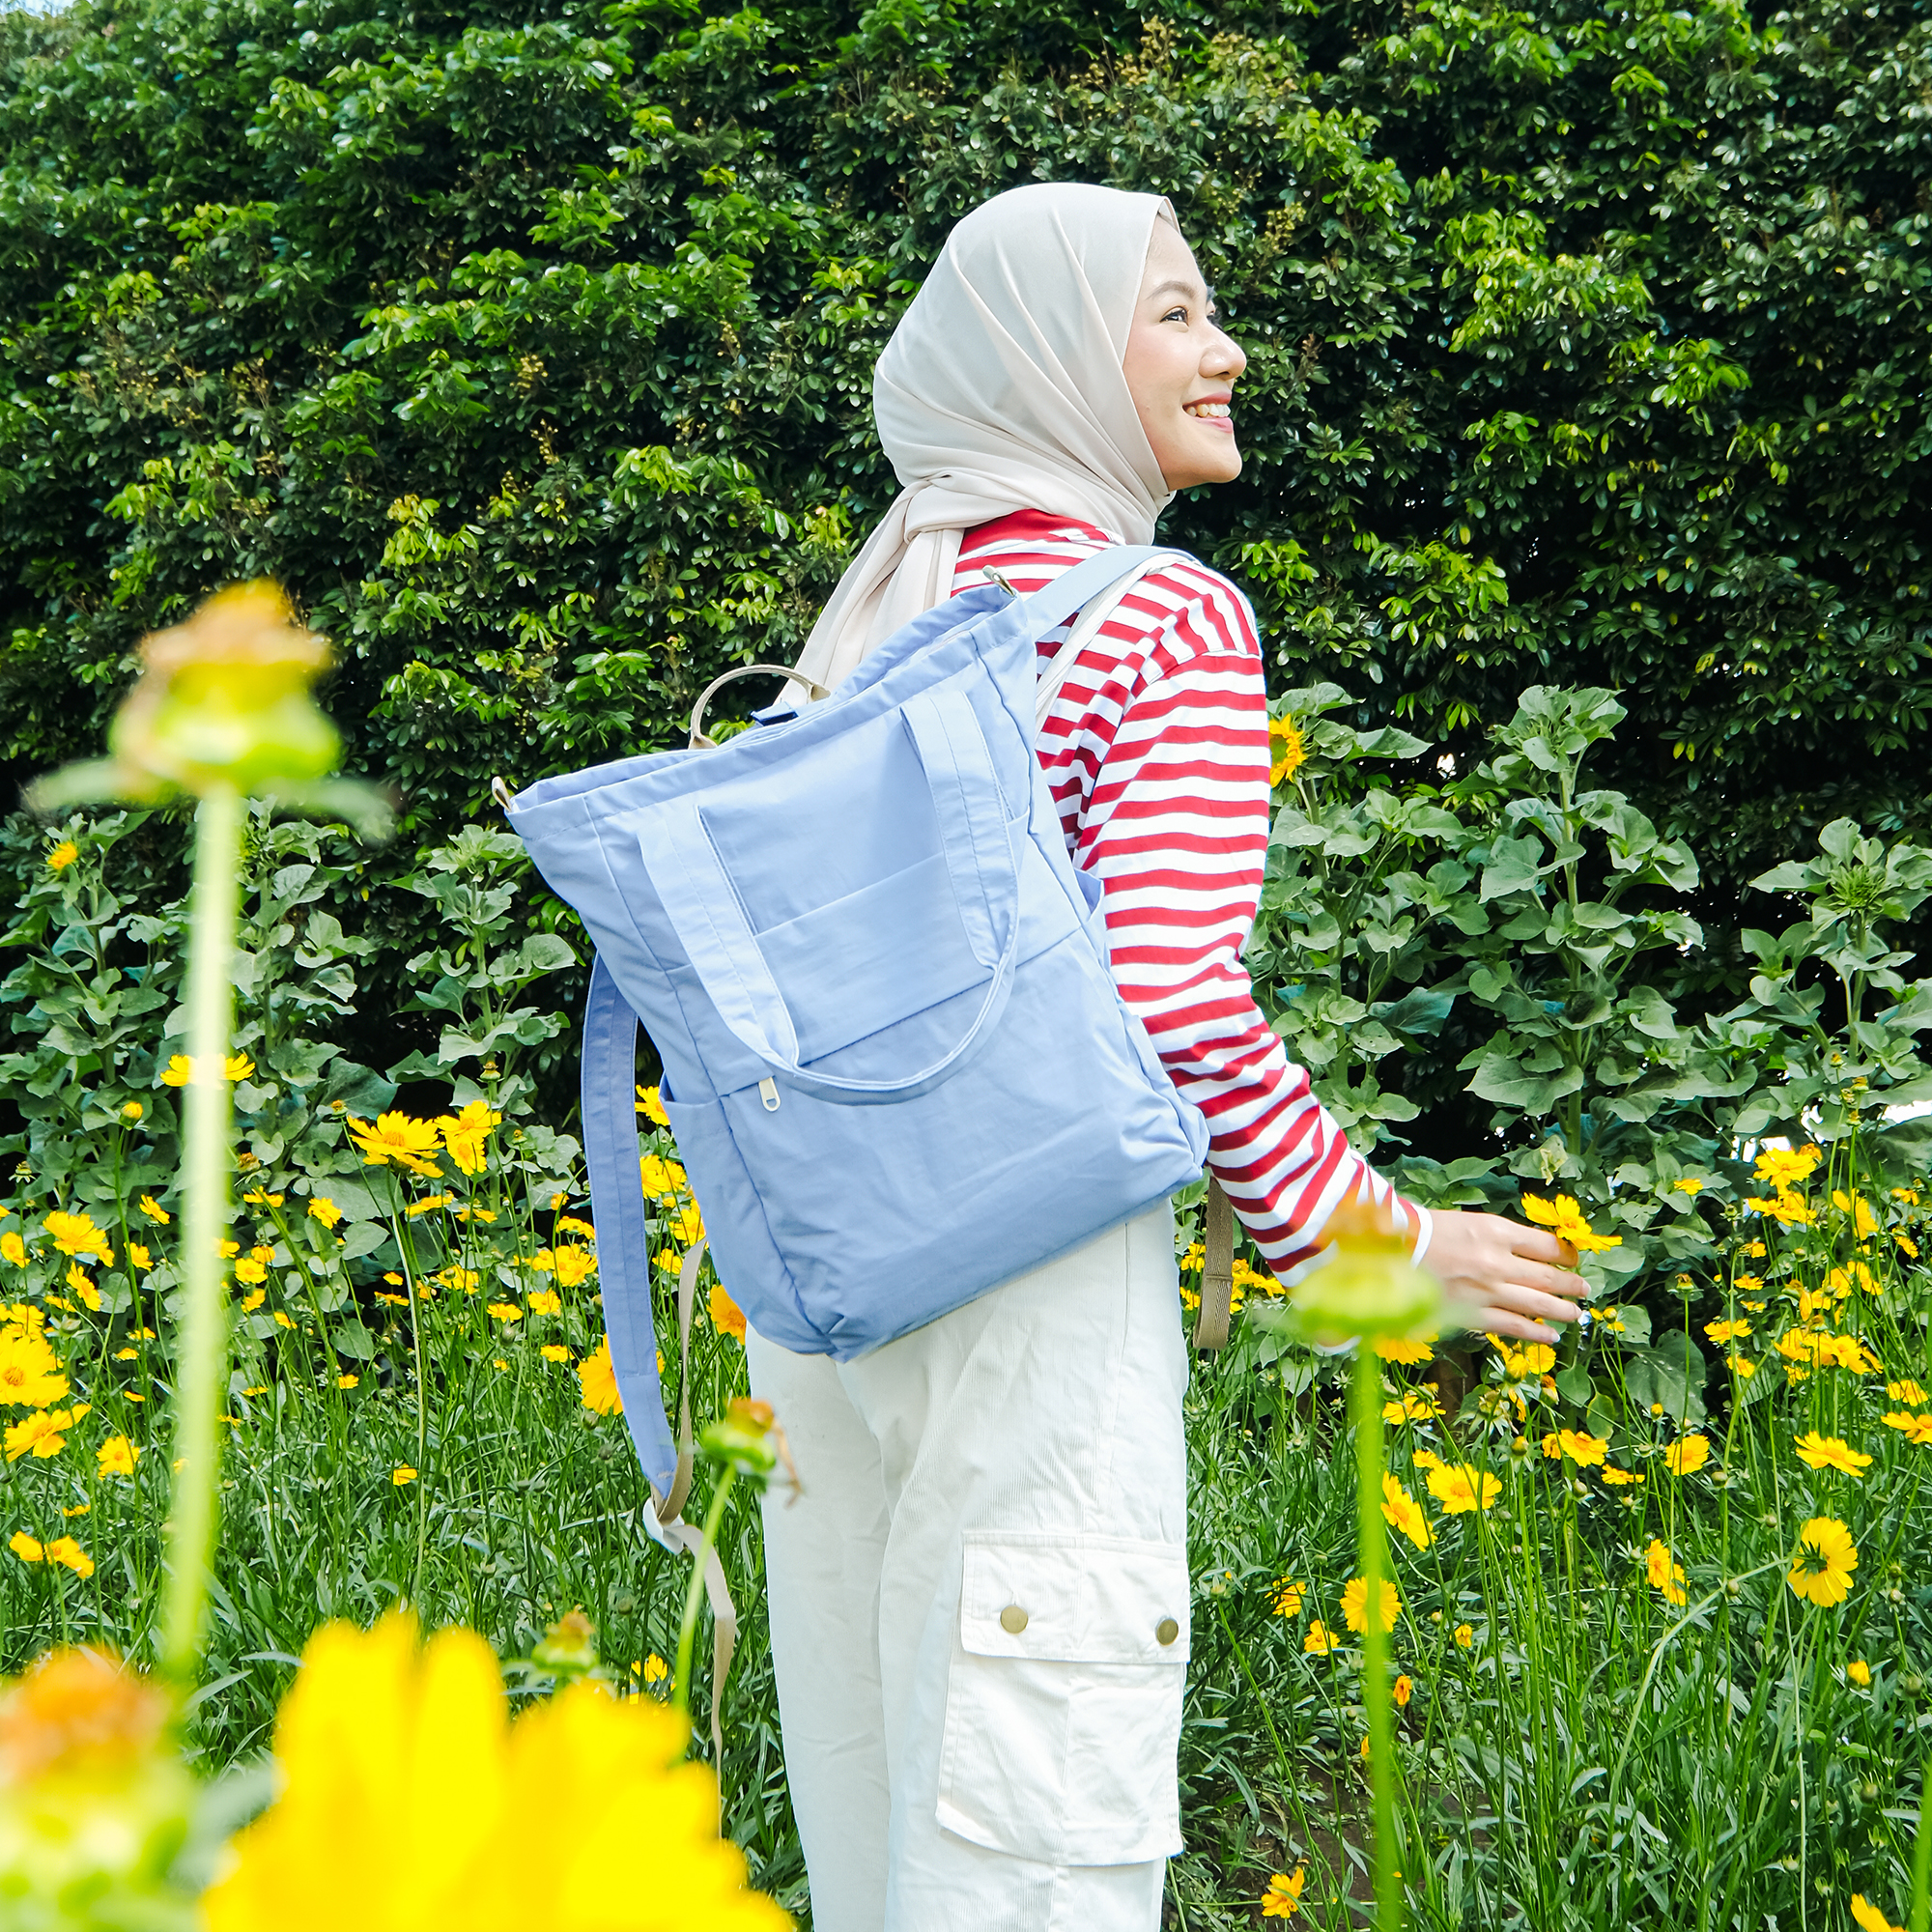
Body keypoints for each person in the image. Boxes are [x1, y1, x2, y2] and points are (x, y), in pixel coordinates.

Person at [750, 182, 1589, 1932]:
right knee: (1033, 1850)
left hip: (824, 1298)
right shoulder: (1156, 618)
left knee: (881, 1837)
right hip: (1036, 1273)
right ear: (1054, 355)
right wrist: (1376, 1244)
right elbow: (1168, 994)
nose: (1228, 352)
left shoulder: (873, 621)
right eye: (1176, 313)